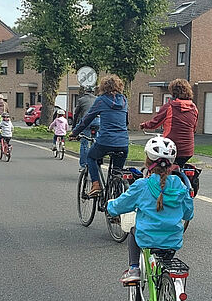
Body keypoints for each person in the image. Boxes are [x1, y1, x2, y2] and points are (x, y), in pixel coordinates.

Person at [107, 136, 194, 284]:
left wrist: (110, 206)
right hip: (173, 239)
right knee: (162, 268)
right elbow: (188, 214)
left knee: (133, 231)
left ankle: (134, 268)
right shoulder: (179, 185)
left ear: (147, 162)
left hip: (147, 238)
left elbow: (121, 205)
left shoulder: (142, 185)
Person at [70, 75, 129, 196]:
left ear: (103, 87)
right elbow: (126, 121)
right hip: (123, 143)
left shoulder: (101, 100)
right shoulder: (124, 100)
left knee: (91, 157)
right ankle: (117, 196)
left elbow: (87, 119)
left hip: (105, 141)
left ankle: (96, 185)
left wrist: (74, 132)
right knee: (117, 173)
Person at [140, 79, 199, 167]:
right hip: (187, 151)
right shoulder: (194, 108)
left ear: (173, 92)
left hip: (169, 149)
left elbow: (155, 123)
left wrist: (144, 125)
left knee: (155, 164)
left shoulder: (170, 107)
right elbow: (194, 128)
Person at [72, 84, 100, 168]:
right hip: (97, 121)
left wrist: (74, 127)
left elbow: (76, 114)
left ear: (85, 91)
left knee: (84, 143)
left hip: (87, 122)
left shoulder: (81, 100)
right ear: (93, 92)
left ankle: (83, 165)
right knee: (96, 142)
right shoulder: (97, 99)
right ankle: (95, 162)